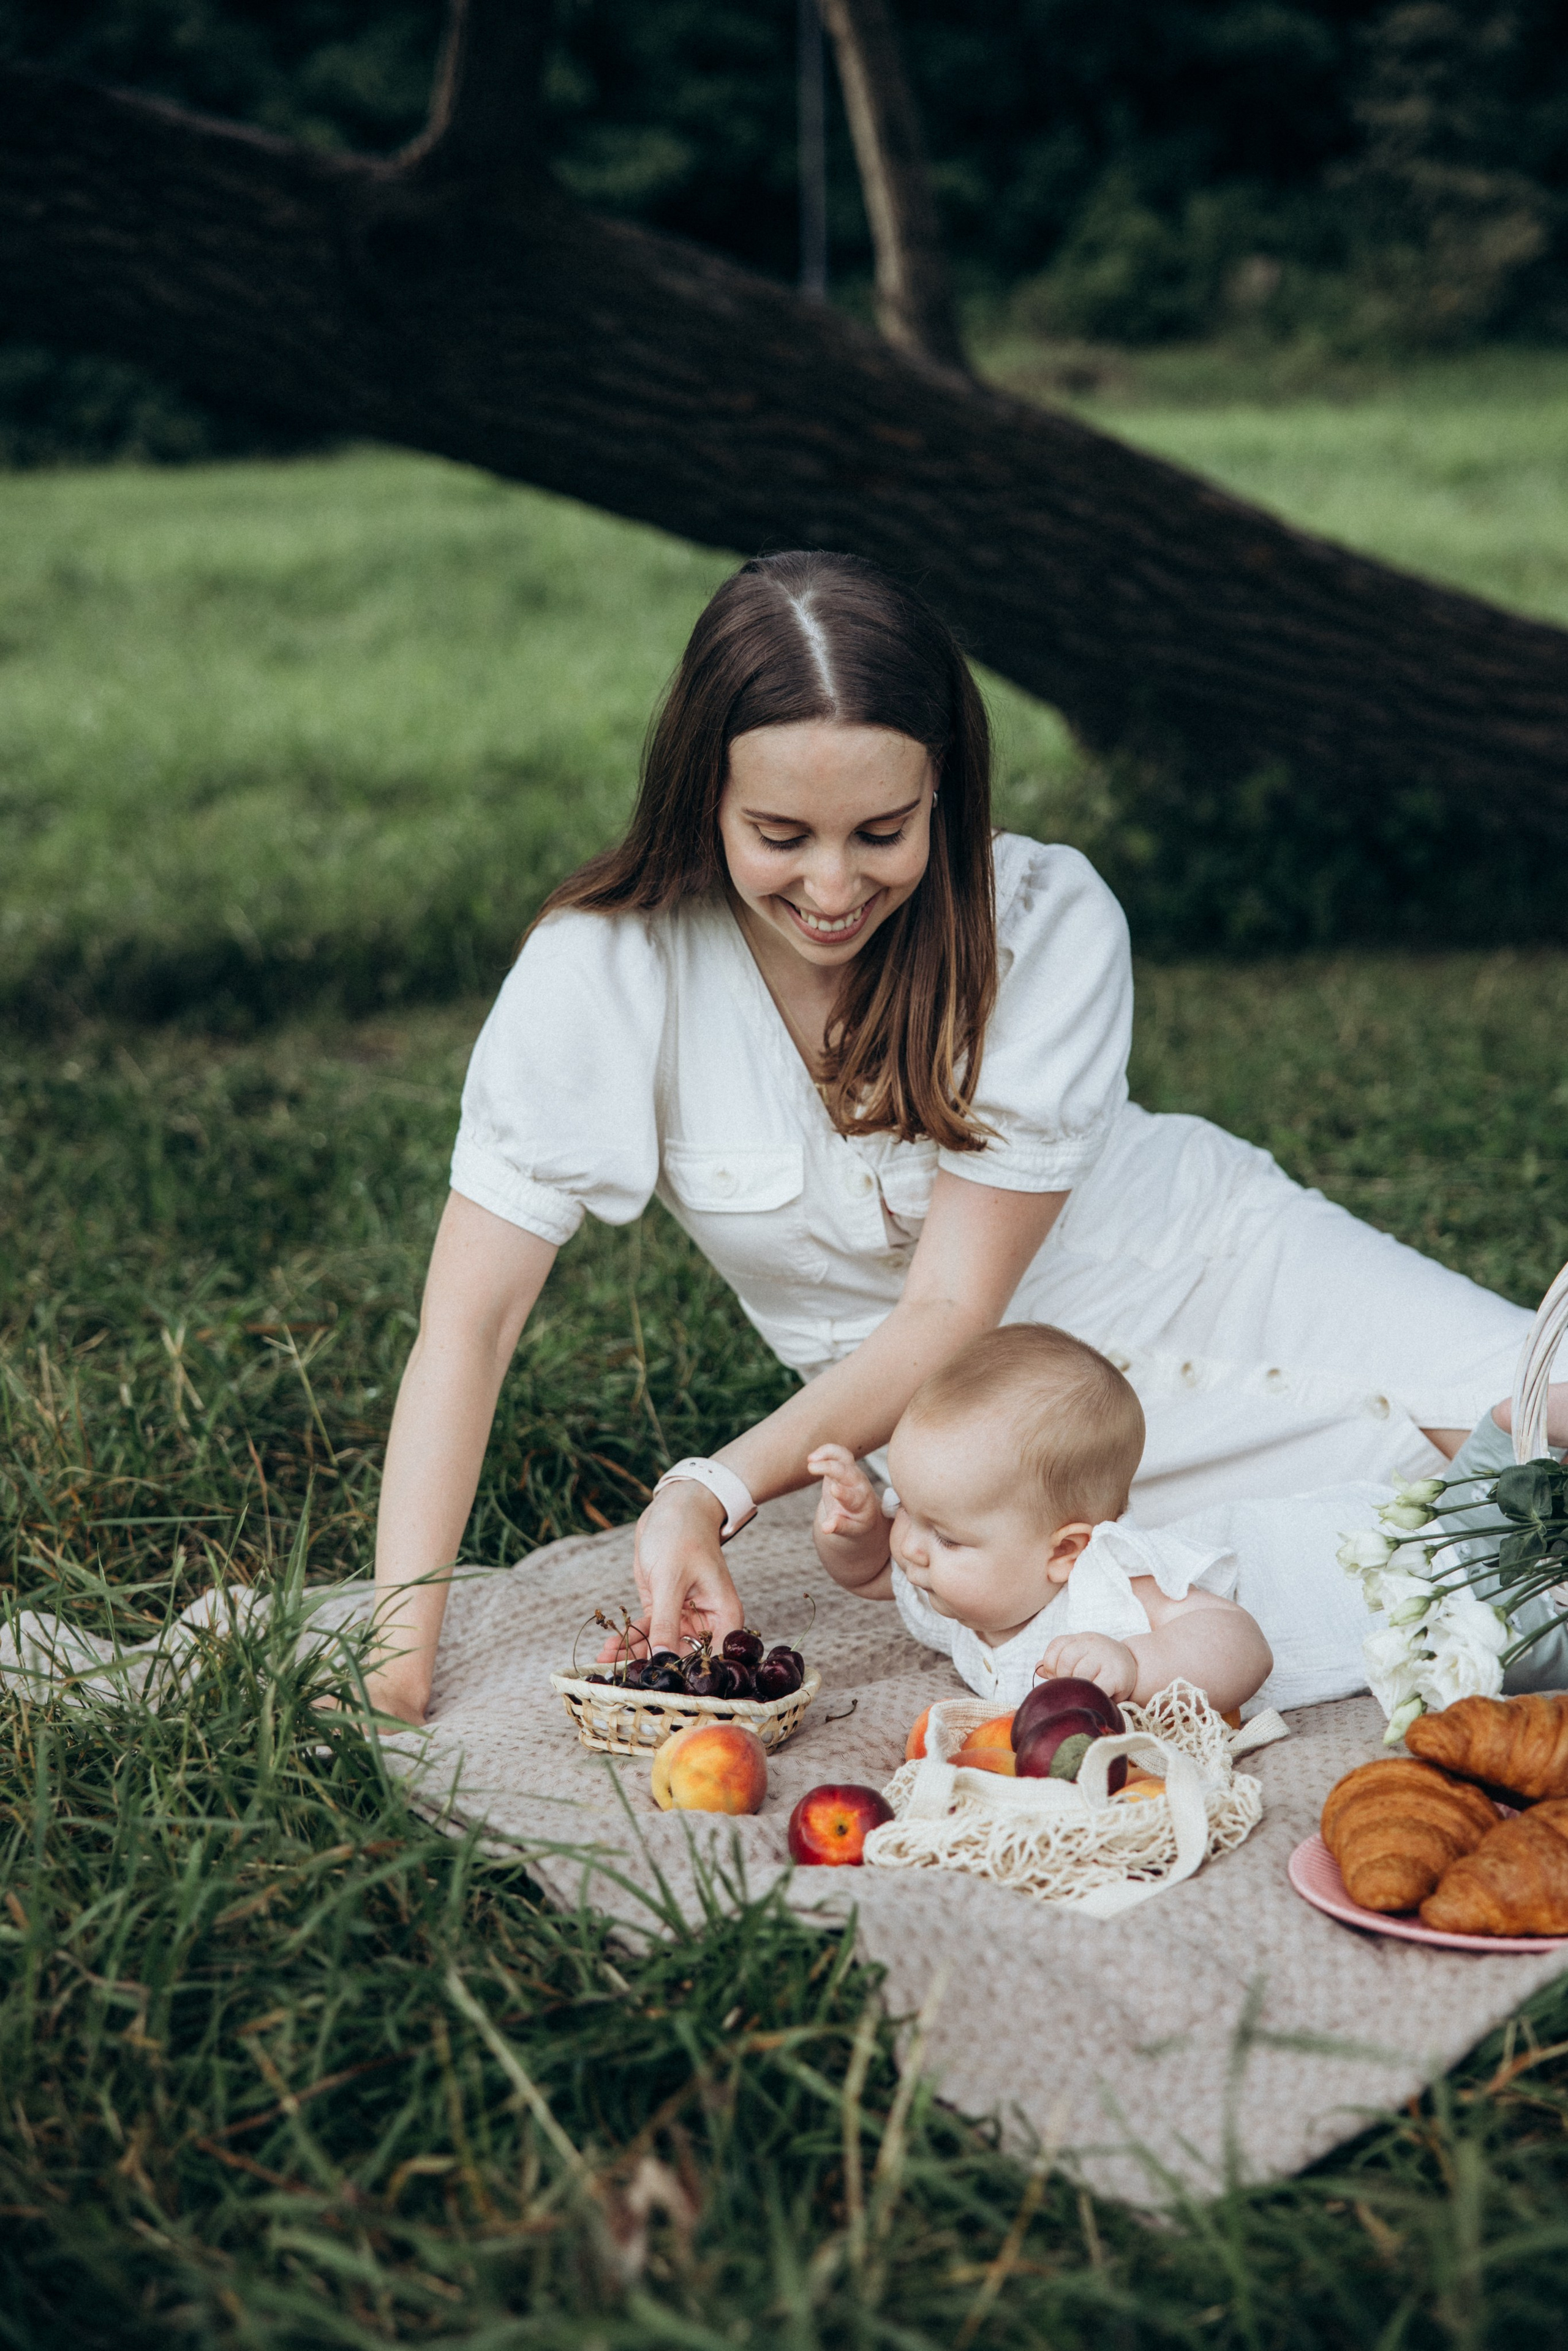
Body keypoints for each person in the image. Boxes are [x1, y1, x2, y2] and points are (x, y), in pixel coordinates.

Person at [366, 551, 1531, 1725]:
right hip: (1011, 1464)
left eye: (882, 831)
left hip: (1221, 1272)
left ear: (943, 791)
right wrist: (394, 1669)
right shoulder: (605, 969)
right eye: (779, 833)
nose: (832, 887)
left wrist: (710, 1488)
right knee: (1391, 1594)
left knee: (1541, 1416)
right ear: (700, 798)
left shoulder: (1039, 919)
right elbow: (471, 1325)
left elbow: (951, 1305)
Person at [809, 1323, 1274, 1714]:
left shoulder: (1111, 1584)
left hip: (1287, 1575)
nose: (909, 1547)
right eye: (904, 1508)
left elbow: (1244, 1648)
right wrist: (854, 1534)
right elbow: (872, 1574)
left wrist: (1135, 1664)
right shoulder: (946, 1586)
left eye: (947, 1538)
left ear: (1065, 1552)